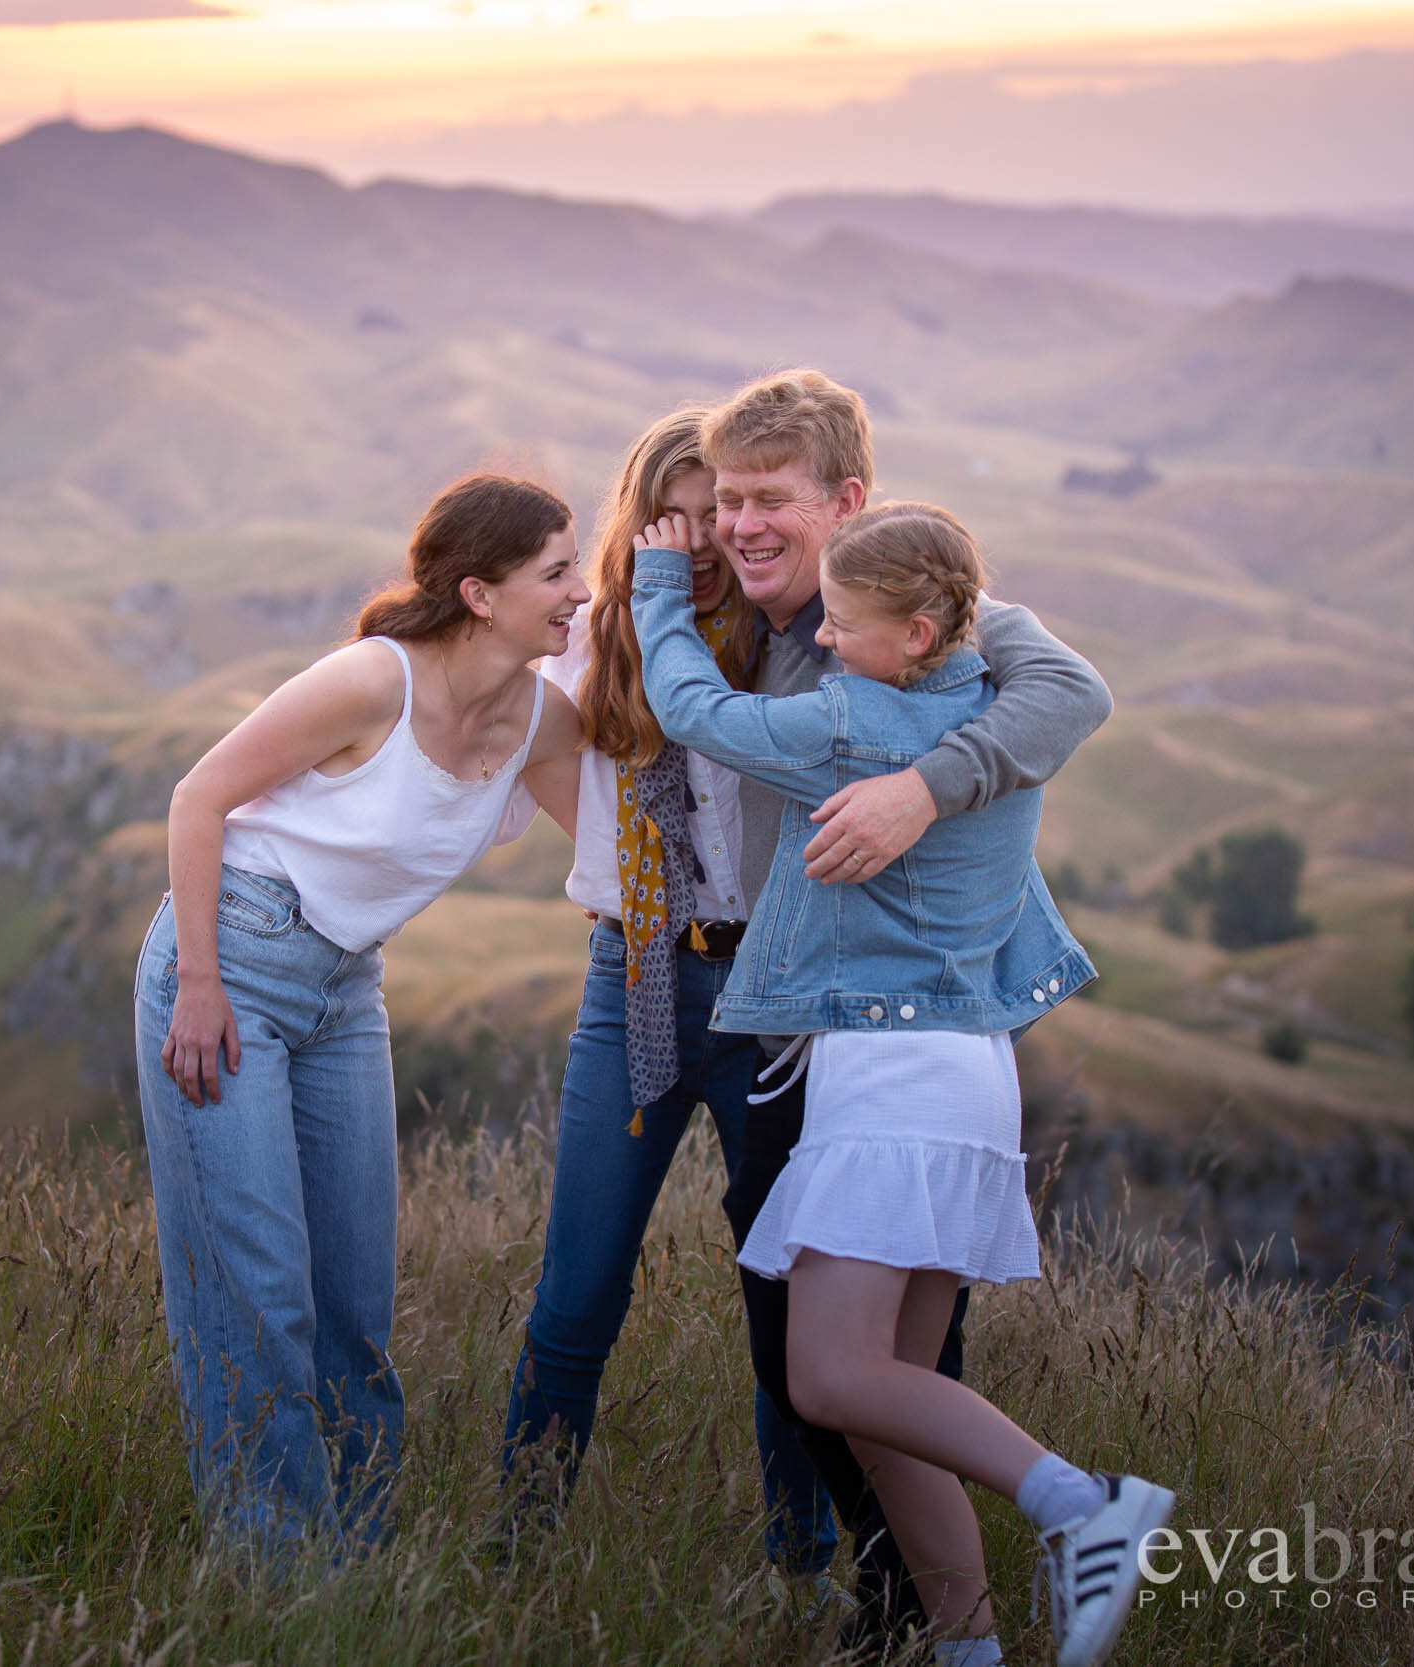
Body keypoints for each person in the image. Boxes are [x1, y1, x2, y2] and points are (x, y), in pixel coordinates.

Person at [499, 404, 1112, 1630]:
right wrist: (627, 880)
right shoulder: (660, 627)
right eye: (705, 513)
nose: (728, 534)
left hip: (811, 1014)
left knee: (814, 1326)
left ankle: (869, 1581)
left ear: (842, 502)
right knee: (606, 1298)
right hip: (666, 979)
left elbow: (1070, 689)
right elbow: (545, 730)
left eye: (748, 506)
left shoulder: (884, 616)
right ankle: (525, 1552)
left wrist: (920, 792)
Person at [632, 499, 1171, 1667]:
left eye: (845, 620)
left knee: (826, 1374)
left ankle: (1084, 1504)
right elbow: (1048, 670)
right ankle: (967, 1649)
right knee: (894, 1408)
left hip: (888, 1081)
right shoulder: (998, 709)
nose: (823, 638)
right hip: (972, 1075)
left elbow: (687, 708)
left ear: (919, 633)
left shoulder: (843, 723)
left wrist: (659, 586)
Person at [136, 472, 587, 1556]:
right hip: (229, 961)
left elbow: (619, 854)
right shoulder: (369, 682)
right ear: (480, 593)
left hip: (345, 990)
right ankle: (280, 1575)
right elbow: (198, 796)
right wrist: (199, 983)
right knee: (256, 1293)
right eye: (559, 572)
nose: (581, 592)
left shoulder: (541, 716)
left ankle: (365, 1555)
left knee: (351, 1302)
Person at [497, 407, 838, 1573]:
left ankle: (800, 1563)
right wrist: (608, 863)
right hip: (633, 973)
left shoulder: (787, 642)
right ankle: (518, 1549)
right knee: (577, 1294)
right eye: (673, 514)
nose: (697, 537)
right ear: (638, 517)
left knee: (782, 1296)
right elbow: (498, 715)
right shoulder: (595, 638)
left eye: (717, 513)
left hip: (769, 994)